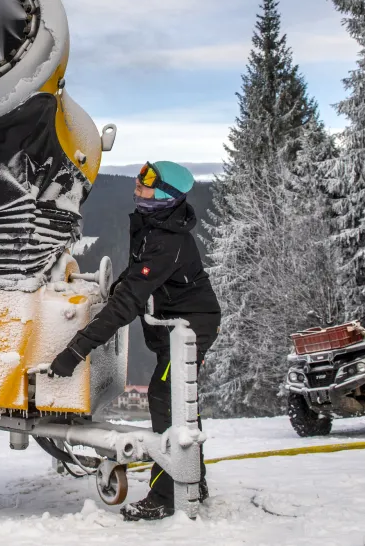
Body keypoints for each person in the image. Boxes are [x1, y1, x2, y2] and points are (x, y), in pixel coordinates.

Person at [49, 160, 222, 522]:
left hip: (188, 329)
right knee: (179, 400)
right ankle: (193, 478)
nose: (136, 189)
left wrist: (75, 350)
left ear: (164, 195)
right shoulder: (156, 225)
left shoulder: (168, 241)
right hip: (171, 327)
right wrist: (119, 285)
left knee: (169, 397)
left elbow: (128, 303)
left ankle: (168, 495)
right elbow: (137, 272)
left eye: (145, 186)